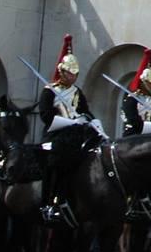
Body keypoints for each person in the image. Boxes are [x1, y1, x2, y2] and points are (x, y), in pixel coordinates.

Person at [36, 34, 104, 223]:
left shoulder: (77, 92)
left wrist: (93, 121)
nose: (73, 77)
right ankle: (49, 202)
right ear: (62, 72)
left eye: (75, 74)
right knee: (55, 162)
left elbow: (85, 111)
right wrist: (71, 122)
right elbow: (46, 116)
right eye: (70, 73)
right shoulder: (49, 91)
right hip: (55, 135)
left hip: (76, 135)